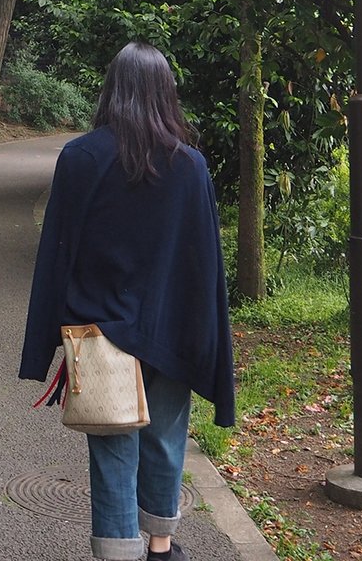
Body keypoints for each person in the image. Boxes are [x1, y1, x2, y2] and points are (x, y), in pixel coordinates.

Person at [20, 42, 235, 561]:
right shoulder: (191, 167)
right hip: (172, 331)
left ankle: (120, 553)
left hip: (100, 334)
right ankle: (160, 547)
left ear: (112, 89)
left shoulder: (80, 158)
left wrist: (42, 344)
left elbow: (57, 255)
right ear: (167, 94)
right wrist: (211, 346)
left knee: (113, 448)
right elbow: (206, 265)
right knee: (165, 440)